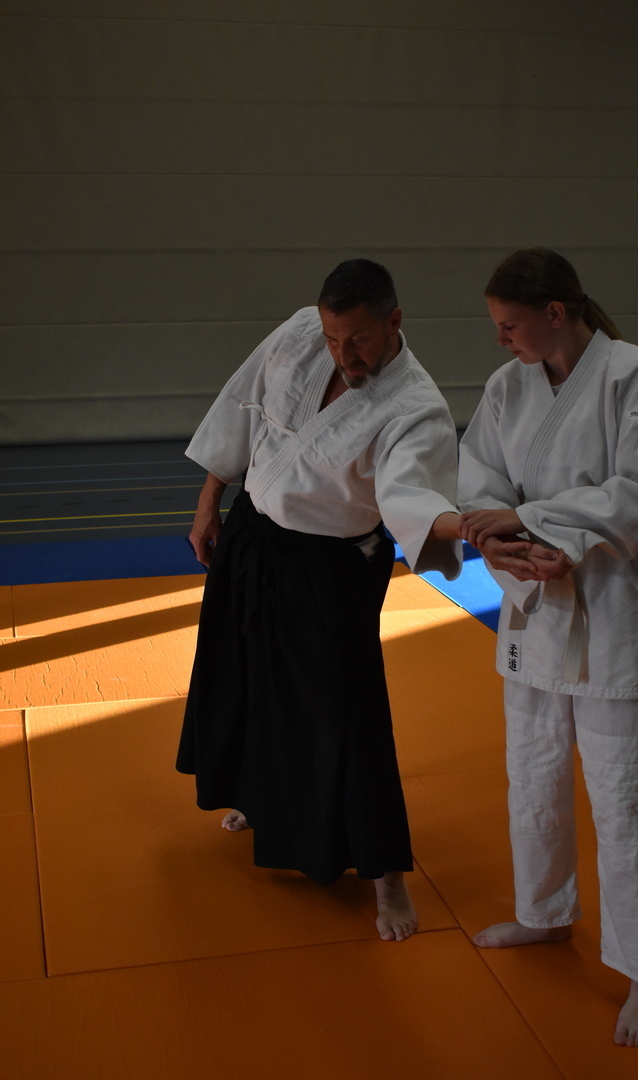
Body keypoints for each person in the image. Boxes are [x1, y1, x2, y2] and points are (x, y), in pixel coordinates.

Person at [177, 259, 462, 942]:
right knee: (248, 678)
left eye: (358, 339)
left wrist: (470, 527)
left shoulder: (416, 407)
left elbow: (409, 498)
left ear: (394, 322)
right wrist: (210, 500)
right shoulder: (302, 331)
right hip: (254, 536)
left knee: (347, 711)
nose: (342, 353)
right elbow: (243, 402)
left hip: (330, 567)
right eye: (334, 338)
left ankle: (386, 874)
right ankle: (259, 797)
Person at [457, 248, 638, 1046]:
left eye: (509, 325)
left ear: (556, 313)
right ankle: (544, 913)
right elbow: (479, 482)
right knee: (534, 778)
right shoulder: (506, 387)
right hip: (536, 608)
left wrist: (544, 527)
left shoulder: (628, 374)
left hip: (614, 615)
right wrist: (508, 545)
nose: (501, 340)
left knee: (625, 802)